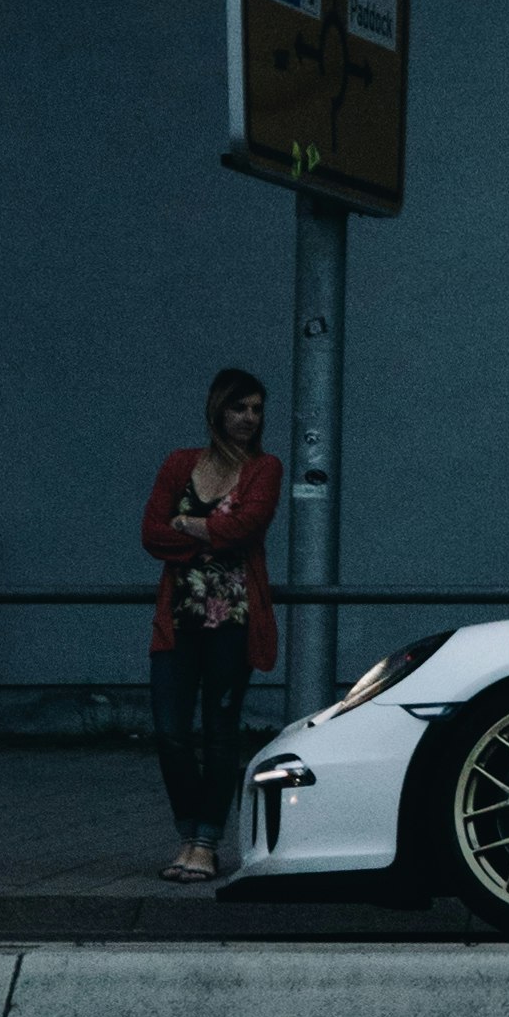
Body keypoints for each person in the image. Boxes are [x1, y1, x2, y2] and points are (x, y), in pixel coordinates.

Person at [143, 367, 282, 879]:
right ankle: (188, 830)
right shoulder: (180, 464)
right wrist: (210, 532)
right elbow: (152, 533)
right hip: (178, 621)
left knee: (220, 731)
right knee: (170, 730)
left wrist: (188, 524)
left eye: (257, 409)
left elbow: (246, 527)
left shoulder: (265, 468)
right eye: (239, 407)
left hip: (236, 621)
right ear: (217, 410)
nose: (249, 418)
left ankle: (204, 842)